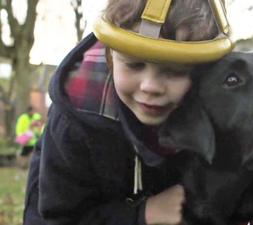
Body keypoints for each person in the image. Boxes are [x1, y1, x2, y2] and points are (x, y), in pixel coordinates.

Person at [23, 0, 233, 225]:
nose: (150, 86)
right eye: (134, 65)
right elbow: (59, 218)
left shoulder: (218, 113)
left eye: (174, 71)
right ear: (111, 57)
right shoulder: (75, 119)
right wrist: (143, 214)